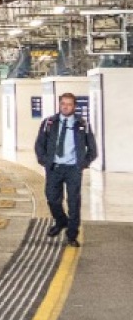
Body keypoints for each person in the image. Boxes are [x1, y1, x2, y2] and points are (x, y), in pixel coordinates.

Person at [35, 92, 97, 246]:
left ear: (74, 107)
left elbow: (93, 149)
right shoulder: (49, 122)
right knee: (52, 199)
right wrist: (44, 160)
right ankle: (61, 221)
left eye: (69, 104)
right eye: (63, 103)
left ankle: (71, 235)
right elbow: (39, 144)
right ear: (59, 105)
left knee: (74, 202)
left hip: (73, 169)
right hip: (54, 167)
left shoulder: (83, 124)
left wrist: (83, 163)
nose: (65, 107)